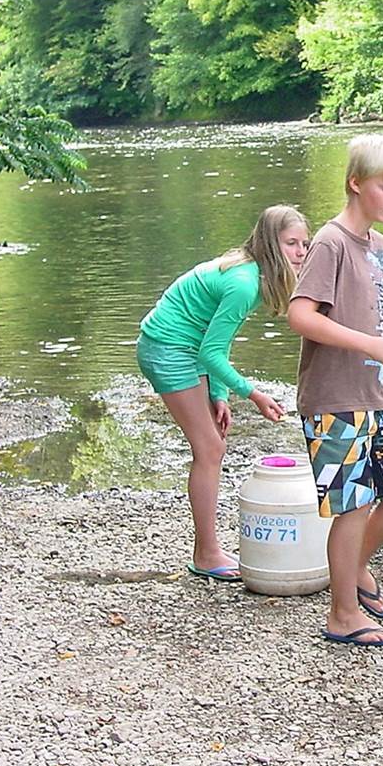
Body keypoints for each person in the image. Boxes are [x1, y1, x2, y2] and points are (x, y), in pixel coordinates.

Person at [287, 134, 383, 648]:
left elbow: (382, 308)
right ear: (355, 183)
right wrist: (368, 339)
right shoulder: (329, 243)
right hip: (335, 400)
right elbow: (301, 315)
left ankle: (355, 567)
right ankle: (343, 613)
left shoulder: (382, 249)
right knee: (352, 506)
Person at [136, 205, 310, 580]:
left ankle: (208, 548)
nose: (300, 252)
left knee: (213, 442)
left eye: (304, 244)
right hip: (167, 347)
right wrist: (253, 394)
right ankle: (206, 553)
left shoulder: (253, 274)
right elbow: (209, 351)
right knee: (210, 448)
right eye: (291, 243)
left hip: (187, 345)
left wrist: (219, 394)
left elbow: (217, 341)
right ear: (269, 244)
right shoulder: (244, 283)